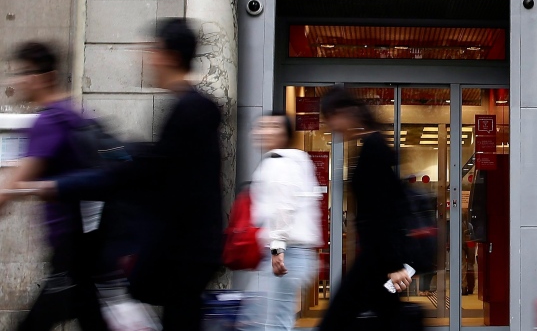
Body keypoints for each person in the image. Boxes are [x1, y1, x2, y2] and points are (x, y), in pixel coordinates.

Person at [12, 18, 224, 331]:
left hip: (184, 256)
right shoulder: (191, 108)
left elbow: (144, 174)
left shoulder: (191, 110)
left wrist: (58, 185)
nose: (146, 58)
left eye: (152, 51)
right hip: (185, 256)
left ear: (169, 55)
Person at [0, 42, 109, 331]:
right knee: (92, 318)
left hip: (69, 246)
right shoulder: (75, 114)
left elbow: (12, 186)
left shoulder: (49, 120)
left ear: (42, 77)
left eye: (24, 73)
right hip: (86, 241)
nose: (18, 81)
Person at [316, 86, 414, 331]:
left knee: (335, 321)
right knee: (388, 318)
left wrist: (394, 264)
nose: (331, 126)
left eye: (331, 118)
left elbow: (384, 210)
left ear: (346, 113)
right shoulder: (371, 145)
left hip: (376, 261)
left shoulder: (373, 149)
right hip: (376, 259)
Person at [238, 113, 322, 331]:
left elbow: (283, 207)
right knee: (274, 319)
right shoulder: (297, 161)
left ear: (284, 134)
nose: (262, 131)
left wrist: (277, 249)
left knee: (262, 323)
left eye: (272, 126)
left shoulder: (280, 164)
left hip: (286, 254)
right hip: (293, 253)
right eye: (261, 126)